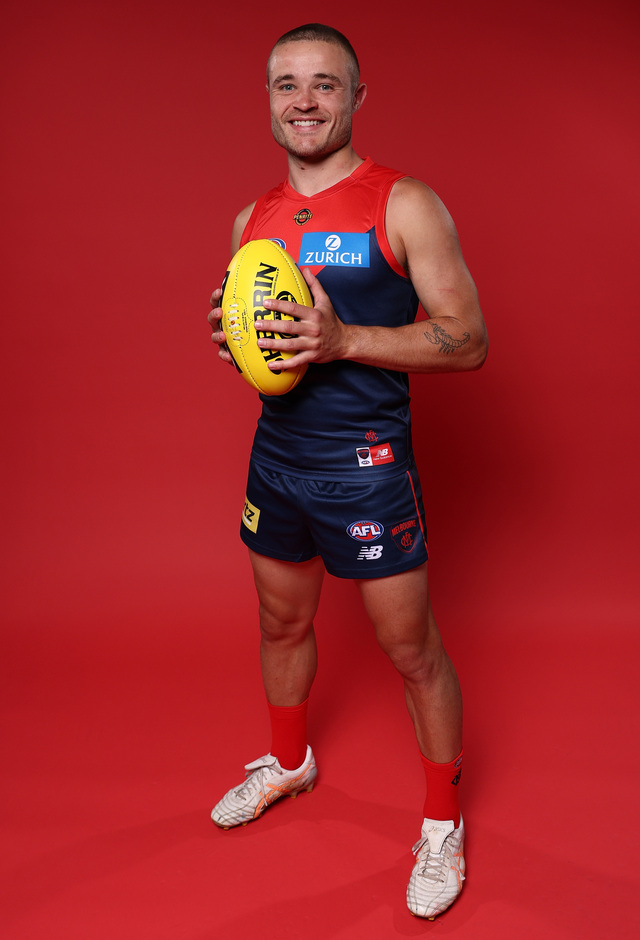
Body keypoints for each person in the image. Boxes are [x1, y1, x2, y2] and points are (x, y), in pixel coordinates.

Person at [208, 24, 488, 920]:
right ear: (268, 99)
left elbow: (469, 341)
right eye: (286, 84)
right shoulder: (250, 221)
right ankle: (290, 763)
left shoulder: (403, 203)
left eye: (324, 84)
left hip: (367, 466)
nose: (303, 101)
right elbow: (270, 349)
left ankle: (441, 823)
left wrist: (343, 341)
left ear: (357, 98)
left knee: (411, 651)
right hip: (278, 459)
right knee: (280, 622)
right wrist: (241, 344)